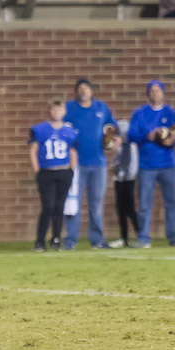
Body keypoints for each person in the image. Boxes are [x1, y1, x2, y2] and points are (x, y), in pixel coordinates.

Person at [128, 79, 175, 247]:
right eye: (152, 90)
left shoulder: (173, 113)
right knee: (144, 204)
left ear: (163, 93)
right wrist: (146, 137)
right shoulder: (139, 113)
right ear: (148, 93)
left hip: (168, 164)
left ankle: (174, 236)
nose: (155, 93)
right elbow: (131, 135)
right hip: (146, 165)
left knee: (171, 202)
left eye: (158, 90)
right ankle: (143, 237)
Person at [63, 79, 117, 250]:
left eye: (86, 88)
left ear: (92, 91)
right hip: (76, 164)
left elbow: (112, 128)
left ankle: (98, 240)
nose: (83, 91)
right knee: (73, 203)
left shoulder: (101, 108)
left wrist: (115, 139)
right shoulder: (69, 108)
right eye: (80, 88)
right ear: (76, 91)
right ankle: (70, 241)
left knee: (96, 204)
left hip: (98, 163)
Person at [30, 99, 79, 252]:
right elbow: (33, 150)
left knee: (59, 207)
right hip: (46, 172)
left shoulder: (70, 131)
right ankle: (40, 241)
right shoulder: (40, 129)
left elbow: (73, 152)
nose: (56, 112)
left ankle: (56, 240)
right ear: (49, 111)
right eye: (53, 109)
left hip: (63, 171)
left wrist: (72, 170)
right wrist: (37, 170)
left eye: (59, 110)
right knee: (48, 207)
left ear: (64, 112)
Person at [110, 119, 138, 247]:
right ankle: (124, 237)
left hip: (128, 179)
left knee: (130, 208)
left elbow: (128, 163)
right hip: (119, 179)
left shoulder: (130, 144)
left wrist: (119, 169)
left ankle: (140, 234)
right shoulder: (118, 145)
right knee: (121, 209)